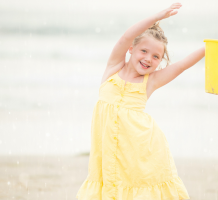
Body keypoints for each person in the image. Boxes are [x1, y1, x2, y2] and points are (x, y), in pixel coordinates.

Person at [76, 2, 205, 200]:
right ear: (131, 49)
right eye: (144, 51)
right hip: (108, 149)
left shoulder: (150, 81)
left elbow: (181, 66)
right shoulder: (114, 67)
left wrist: (208, 48)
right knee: (107, 185)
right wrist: (156, 17)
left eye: (156, 56)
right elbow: (126, 35)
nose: (148, 59)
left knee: (136, 188)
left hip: (139, 151)